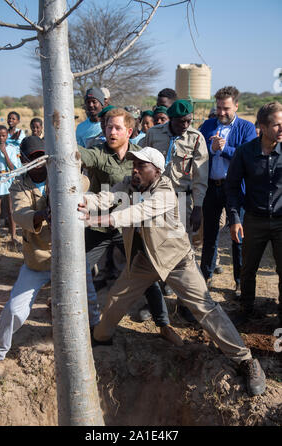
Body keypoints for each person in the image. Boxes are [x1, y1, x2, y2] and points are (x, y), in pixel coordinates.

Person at [78, 146, 266, 397]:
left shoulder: (166, 192)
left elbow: (136, 212)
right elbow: (106, 198)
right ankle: (100, 338)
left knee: (205, 308)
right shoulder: (129, 184)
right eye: (134, 165)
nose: (135, 170)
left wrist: (99, 220)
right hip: (144, 260)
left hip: (176, 261)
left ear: (156, 171)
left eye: (141, 167)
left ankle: (245, 360)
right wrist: (83, 200)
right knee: (114, 300)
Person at [0, 136, 99, 380]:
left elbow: (84, 182)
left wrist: (70, 172)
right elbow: (19, 214)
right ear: (22, 160)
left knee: (89, 302)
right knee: (16, 310)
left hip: (71, 256)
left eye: (42, 156)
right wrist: (42, 214)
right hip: (38, 259)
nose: (38, 162)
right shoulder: (19, 185)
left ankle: (93, 344)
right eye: (33, 157)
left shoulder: (59, 174)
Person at [78, 108, 181, 345]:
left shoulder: (141, 156)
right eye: (108, 127)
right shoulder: (98, 152)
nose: (111, 132)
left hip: (130, 228)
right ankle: (93, 323)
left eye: (117, 128)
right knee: (80, 269)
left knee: (146, 275)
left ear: (129, 131)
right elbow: (83, 156)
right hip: (99, 226)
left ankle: (163, 324)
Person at [140, 100, 208, 317]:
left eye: (189, 120)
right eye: (181, 121)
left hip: (180, 201)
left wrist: (198, 206)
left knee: (183, 252)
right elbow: (142, 162)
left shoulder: (196, 138)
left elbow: (200, 175)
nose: (186, 124)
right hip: (154, 200)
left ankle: (185, 304)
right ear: (171, 119)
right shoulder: (154, 134)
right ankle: (154, 302)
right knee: (154, 249)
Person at [226, 102, 282, 325]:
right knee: (248, 269)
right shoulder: (245, 152)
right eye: (277, 125)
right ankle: (246, 308)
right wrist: (234, 219)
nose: (281, 129)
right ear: (262, 126)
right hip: (253, 220)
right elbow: (231, 187)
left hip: (281, 221)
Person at [199, 86, 257, 295]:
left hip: (236, 189)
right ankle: (205, 277)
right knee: (210, 236)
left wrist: (225, 149)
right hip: (211, 188)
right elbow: (196, 152)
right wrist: (209, 148)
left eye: (226, 108)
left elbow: (250, 157)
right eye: (219, 108)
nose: (221, 113)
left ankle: (240, 281)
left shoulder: (247, 127)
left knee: (238, 236)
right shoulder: (207, 125)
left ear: (236, 106)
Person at [0, 125, 21, 250]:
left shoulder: (12, 149)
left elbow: (13, 167)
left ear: (7, 136)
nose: (1, 138)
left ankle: (13, 236)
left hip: (9, 181)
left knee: (11, 210)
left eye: (3, 135)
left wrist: (4, 152)